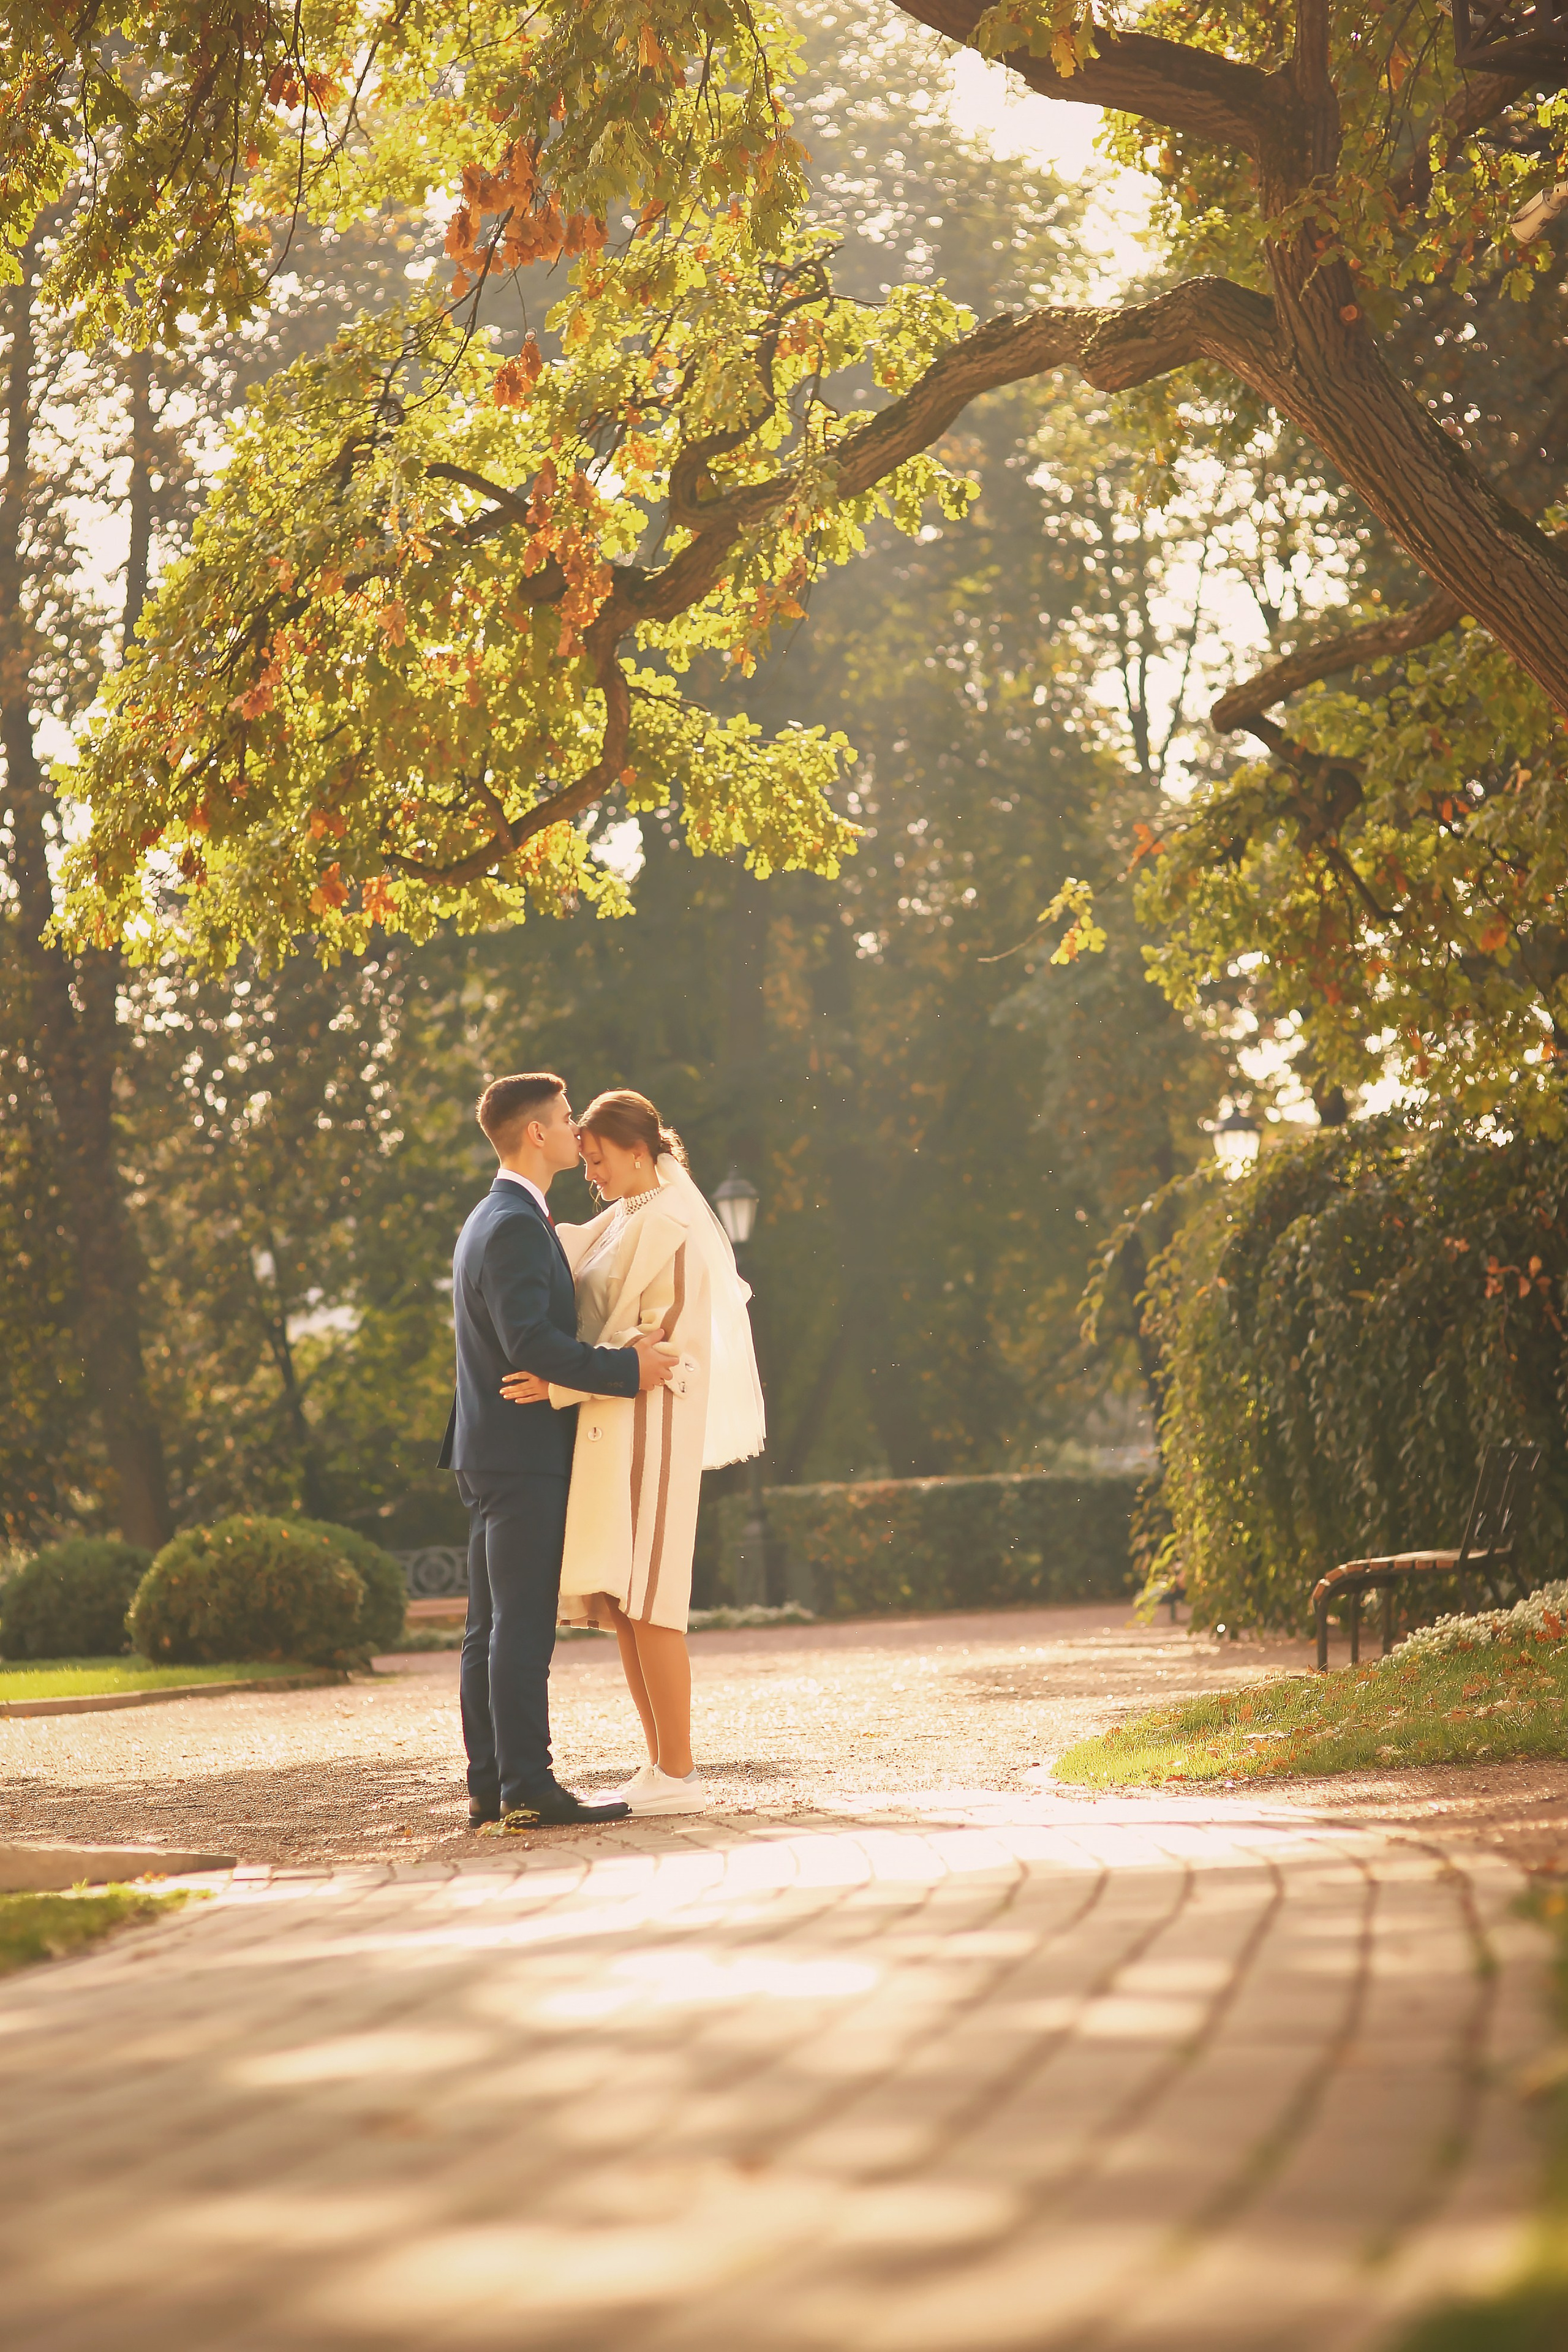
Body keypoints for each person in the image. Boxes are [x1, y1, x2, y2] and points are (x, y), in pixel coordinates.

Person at [500, 1090, 766, 1816]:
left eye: (599, 1160)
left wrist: (559, 1382)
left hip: (652, 1426)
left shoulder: (674, 1224)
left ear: (638, 1150)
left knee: (652, 1599)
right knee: (624, 1603)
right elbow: (611, 1334)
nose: (590, 1175)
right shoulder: (618, 1220)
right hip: (612, 1423)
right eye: (585, 1161)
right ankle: (658, 1765)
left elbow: (661, 1347)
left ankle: (678, 1772)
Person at [440, 1071, 678, 1832]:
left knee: (489, 1628)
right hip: (520, 1451)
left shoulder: (493, 1215)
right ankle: (528, 1787)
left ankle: (492, 1786)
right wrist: (627, 1370)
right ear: (536, 1132)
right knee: (520, 1626)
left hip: (491, 1448)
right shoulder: (513, 1222)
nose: (578, 1129)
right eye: (568, 1117)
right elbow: (530, 1342)